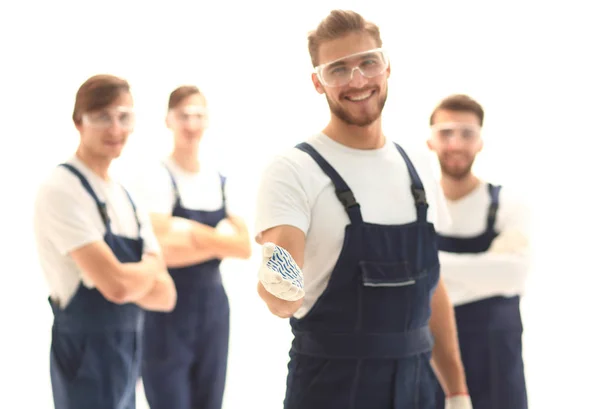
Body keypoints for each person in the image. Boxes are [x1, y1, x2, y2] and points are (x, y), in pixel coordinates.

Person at [253, 10, 473, 409]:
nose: (357, 81)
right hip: (332, 387)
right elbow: (283, 289)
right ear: (318, 82)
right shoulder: (293, 170)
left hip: (419, 386)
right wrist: (275, 283)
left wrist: (456, 391)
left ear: (387, 66)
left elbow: (432, 289)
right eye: (338, 70)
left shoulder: (419, 169)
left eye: (367, 62)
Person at [32, 74, 177, 409]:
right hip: (85, 359)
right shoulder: (62, 189)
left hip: (127, 356)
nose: (115, 129)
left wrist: (131, 278)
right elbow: (117, 288)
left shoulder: (127, 197)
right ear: (78, 122)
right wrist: (152, 265)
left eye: (124, 117)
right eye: (102, 117)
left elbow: (166, 295)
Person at [129, 85, 251, 409]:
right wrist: (217, 241)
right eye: (183, 115)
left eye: (198, 115)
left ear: (208, 120)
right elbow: (161, 250)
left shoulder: (219, 179)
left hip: (214, 311)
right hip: (167, 312)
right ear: (168, 120)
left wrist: (189, 232)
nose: (191, 124)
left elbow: (243, 246)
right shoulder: (155, 176)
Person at [427, 94, 531, 409]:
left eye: (467, 133)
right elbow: (401, 275)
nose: (456, 143)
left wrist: (432, 273)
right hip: (431, 366)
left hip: (498, 371)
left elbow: (513, 273)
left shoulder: (508, 205)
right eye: (446, 133)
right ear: (430, 141)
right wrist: (484, 275)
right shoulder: (418, 209)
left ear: (480, 142)